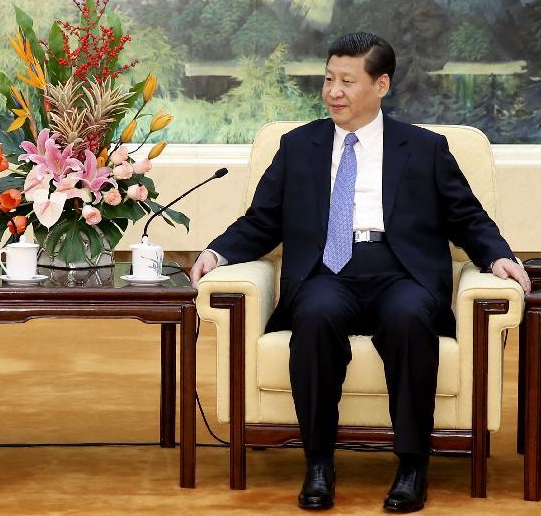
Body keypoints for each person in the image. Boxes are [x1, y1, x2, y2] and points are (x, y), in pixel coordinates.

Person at [191, 32, 530, 512]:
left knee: (411, 319)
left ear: (381, 85)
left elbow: (466, 217)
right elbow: (262, 220)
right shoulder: (298, 145)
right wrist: (217, 252)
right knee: (314, 318)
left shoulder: (425, 148)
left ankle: (412, 465)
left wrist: (498, 255)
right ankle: (319, 464)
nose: (334, 91)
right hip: (327, 272)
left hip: (399, 271)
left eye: (347, 81)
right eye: (329, 79)